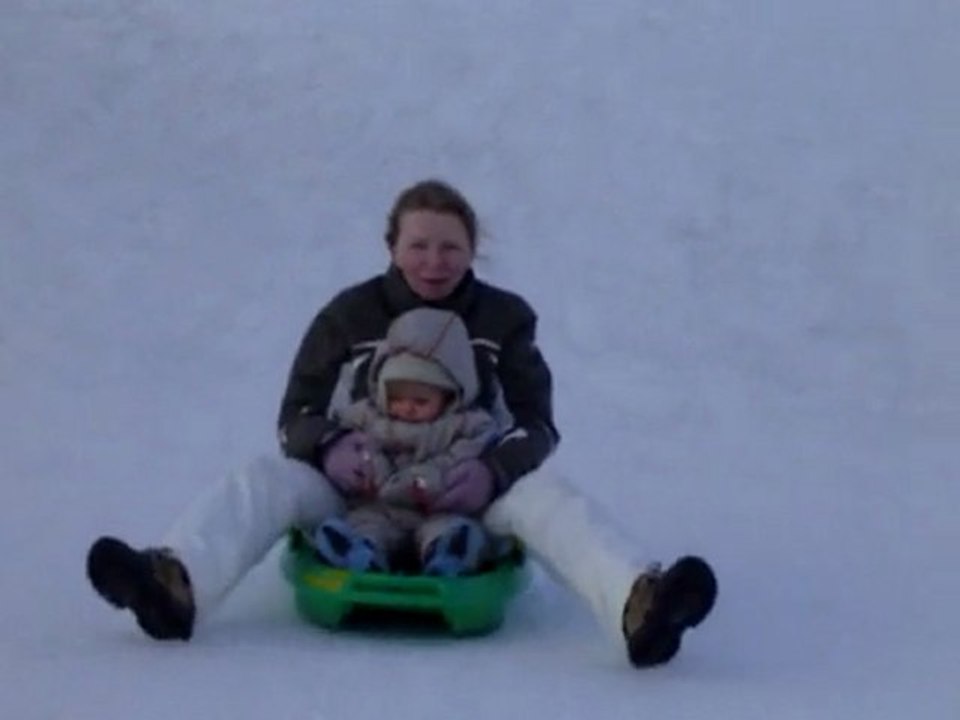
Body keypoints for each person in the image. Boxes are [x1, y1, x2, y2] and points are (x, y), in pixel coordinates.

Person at [86, 178, 717, 667]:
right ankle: (173, 582)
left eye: (451, 246)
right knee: (264, 479)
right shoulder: (349, 314)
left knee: (553, 503)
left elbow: (539, 425)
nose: (434, 261)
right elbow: (294, 415)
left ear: (475, 250)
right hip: (359, 484)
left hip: (465, 486)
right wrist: (328, 446)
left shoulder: (503, 319)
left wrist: (492, 472)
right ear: (392, 245)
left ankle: (642, 602)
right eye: (419, 245)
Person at [309, 306, 501, 576]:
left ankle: (448, 555)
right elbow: (348, 438)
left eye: (420, 401)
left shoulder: (463, 423)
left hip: (435, 507)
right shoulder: (367, 416)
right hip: (380, 507)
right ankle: (360, 555)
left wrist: (433, 476)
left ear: (449, 396)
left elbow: (469, 453)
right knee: (365, 524)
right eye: (396, 398)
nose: (406, 408)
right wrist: (361, 462)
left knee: (449, 528)